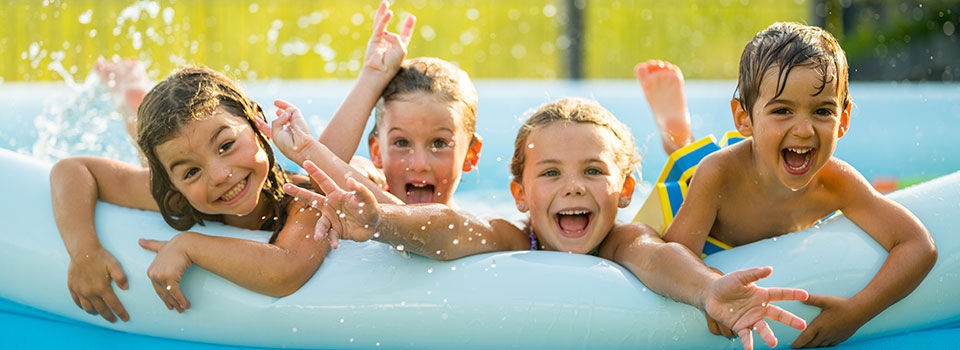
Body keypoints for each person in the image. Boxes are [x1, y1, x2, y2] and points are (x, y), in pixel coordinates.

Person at [286, 97, 810, 350]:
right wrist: (382, 221)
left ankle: (678, 137)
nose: (573, 187)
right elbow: (451, 228)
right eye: (551, 172)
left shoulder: (621, 241)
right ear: (520, 194)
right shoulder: (513, 237)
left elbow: (660, 257)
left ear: (625, 190)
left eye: (593, 171)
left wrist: (708, 289)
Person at [657, 22, 937, 348]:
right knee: (683, 165)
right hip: (688, 193)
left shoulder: (835, 182)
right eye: (782, 110)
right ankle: (676, 131)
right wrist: (707, 289)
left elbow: (918, 245)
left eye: (822, 111)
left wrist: (856, 312)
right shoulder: (718, 175)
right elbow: (673, 259)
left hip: (763, 152)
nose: (804, 129)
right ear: (743, 117)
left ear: (843, 120)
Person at [50, 66, 330, 323]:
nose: (220, 175)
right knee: (163, 149)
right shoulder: (175, 196)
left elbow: (284, 271)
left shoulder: (302, 198)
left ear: (258, 125)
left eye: (226, 145)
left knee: (179, 147)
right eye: (191, 172)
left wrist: (189, 245)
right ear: (170, 186)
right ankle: (131, 96)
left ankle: (137, 100)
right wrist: (84, 254)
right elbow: (72, 169)